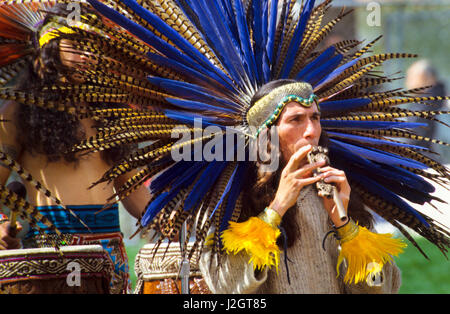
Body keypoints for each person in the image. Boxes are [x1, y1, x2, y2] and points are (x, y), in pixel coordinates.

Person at [0, 3, 151, 294]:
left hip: (110, 262)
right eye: (77, 45)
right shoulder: (16, 113)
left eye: (94, 47)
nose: (88, 56)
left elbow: (133, 192)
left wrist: (166, 215)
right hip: (50, 261)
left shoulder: (111, 113)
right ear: (50, 46)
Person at [198, 80, 402, 293]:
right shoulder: (233, 196)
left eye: (315, 118)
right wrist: (276, 209)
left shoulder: (336, 187)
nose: (311, 131)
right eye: (296, 119)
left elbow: (384, 288)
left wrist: (343, 222)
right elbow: (224, 286)